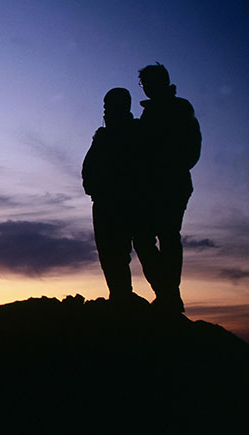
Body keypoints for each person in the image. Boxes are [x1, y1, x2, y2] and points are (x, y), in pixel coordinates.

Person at [132, 63, 201, 313]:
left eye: (150, 82)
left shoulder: (179, 108)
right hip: (150, 187)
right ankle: (166, 293)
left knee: (167, 236)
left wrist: (168, 167)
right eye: (144, 84)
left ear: (162, 81)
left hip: (172, 184)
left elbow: (192, 148)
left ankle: (168, 295)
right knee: (144, 238)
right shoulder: (149, 113)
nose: (146, 88)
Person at [82, 88, 141, 304]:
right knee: (107, 250)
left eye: (111, 105)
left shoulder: (136, 131)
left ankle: (164, 296)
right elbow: (89, 165)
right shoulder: (102, 135)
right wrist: (91, 186)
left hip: (127, 200)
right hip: (102, 201)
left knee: (130, 248)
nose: (106, 110)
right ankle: (119, 294)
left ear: (124, 106)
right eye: (105, 106)